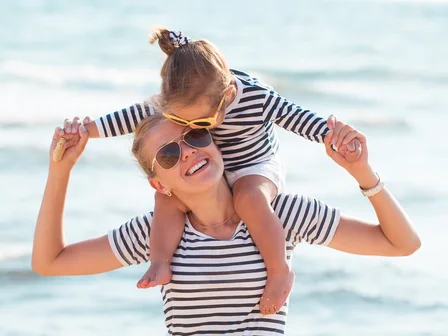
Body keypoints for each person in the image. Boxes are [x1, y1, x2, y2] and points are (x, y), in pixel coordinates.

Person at [32, 114, 419, 336]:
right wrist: (60, 171)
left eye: (194, 138)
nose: (187, 152)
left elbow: (402, 243)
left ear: (212, 140)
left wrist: (362, 173)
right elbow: (49, 262)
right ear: (160, 186)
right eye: (168, 155)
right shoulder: (156, 234)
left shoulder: (280, 213)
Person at [64, 28, 362, 315]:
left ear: (229, 92)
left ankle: (279, 270)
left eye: (203, 123)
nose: (200, 128)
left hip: (255, 165)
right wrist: (87, 131)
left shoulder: (256, 97)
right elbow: (133, 116)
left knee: (248, 199)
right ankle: (160, 261)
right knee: (166, 200)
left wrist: (330, 134)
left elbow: (296, 116)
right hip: (214, 165)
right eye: (187, 124)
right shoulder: (177, 99)